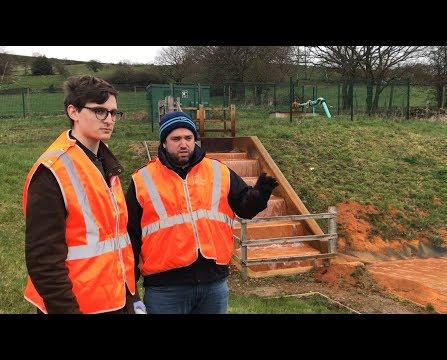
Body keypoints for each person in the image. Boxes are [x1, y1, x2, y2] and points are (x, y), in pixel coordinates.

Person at [126, 110, 279, 314]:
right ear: (163, 142)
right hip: (165, 289)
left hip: (213, 285)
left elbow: (245, 209)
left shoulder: (219, 171)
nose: (183, 144)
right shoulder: (142, 180)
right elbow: (129, 238)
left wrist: (259, 197)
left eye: (189, 138)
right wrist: (130, 290)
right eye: (176, 138)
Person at [23, 75, 136, 314]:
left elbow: (116, 241)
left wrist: (130, 299)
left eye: (114, 113)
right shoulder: (52, 170)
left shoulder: (105, 163)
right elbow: (43, 260)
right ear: (73, 111)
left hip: (114, 300)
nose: (109, 120)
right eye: (100, 112)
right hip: (76, 305)